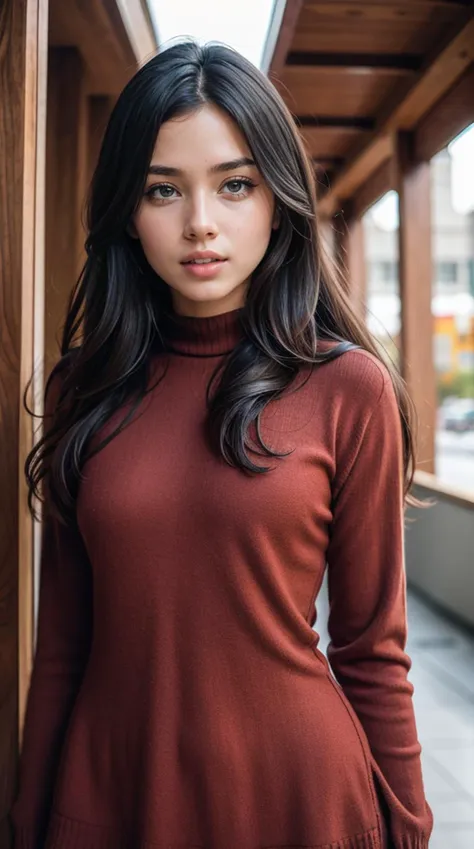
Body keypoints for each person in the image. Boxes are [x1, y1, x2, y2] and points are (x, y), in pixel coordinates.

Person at [10, 39, 433, 849]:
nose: (200, 223)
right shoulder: (83, 391)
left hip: (300, 798)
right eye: (162, 189)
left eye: (234, 184)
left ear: (277, 198)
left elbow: (373, 650)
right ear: (127, 216)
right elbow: (62, 642)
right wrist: (27, 818)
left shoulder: (348, 390)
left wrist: (410, 829)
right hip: (113, 796)